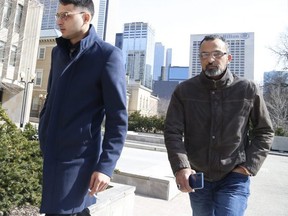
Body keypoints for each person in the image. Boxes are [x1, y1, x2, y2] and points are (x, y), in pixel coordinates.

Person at [164, 34, 274, 216]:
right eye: (204, 55)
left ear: (228, 58)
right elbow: (172, 132)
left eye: (217, 54)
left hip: (234, 177)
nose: (210, 60)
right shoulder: (184, 91)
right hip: (198, 178)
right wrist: (181, 166)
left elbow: (264, 131)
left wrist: (248, 167)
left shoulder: (248, 89)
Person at [38, 0, 128, 215]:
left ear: (86, 17)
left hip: (79, 158)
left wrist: (105, 167)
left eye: (66, 15)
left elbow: (118, 118)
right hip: (51, 152)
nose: (59, 21)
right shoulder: (57, 52)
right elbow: (51, 97)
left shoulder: (107, 55)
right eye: (58, 15)